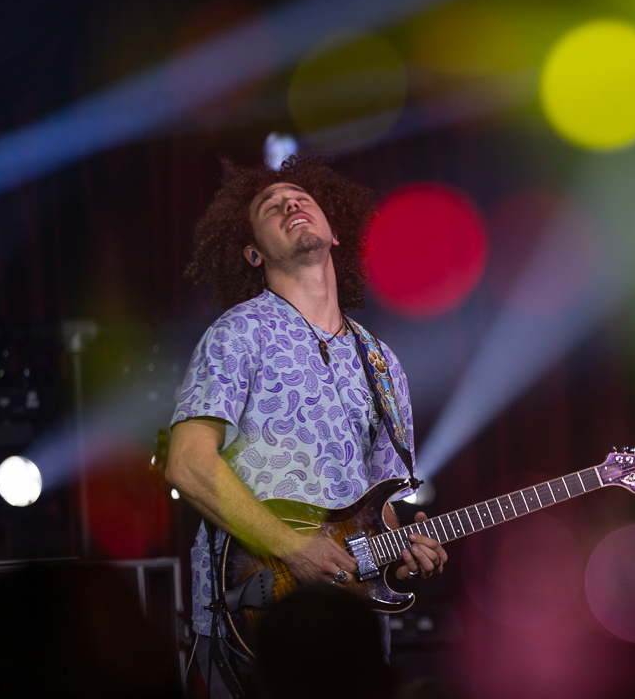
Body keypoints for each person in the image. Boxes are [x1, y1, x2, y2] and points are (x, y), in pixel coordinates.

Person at [165, 155, 447, 697]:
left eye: (300, 198)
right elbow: (188, 462)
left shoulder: (382, 362)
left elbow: (380, 509)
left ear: (334, 232)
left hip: (351, 634)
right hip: (256, 619)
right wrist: (294, 547)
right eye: (271, 207)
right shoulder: (237, 334)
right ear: (253, 252)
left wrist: (402, 557)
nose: (289, 203)